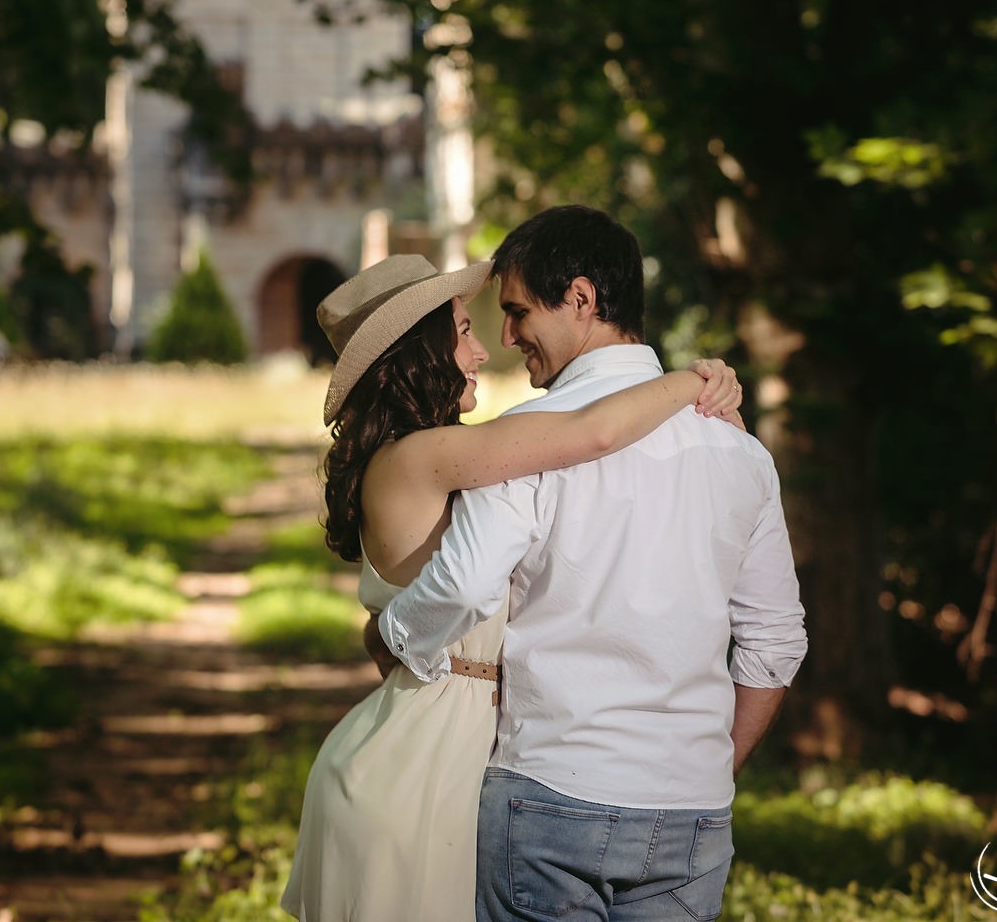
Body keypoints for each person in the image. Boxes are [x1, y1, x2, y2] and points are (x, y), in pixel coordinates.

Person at [374, 206, 809, 922]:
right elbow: (776, 644)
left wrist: (395, 637)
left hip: (551, 796)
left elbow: (467, 580)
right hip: (692, 815)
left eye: (517, 312)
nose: (506, 337)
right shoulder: (740, 453)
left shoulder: (523, 444)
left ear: (581, 299)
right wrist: (704, 772)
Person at [280, 252, 743, 922]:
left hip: (420, 750)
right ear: (423, 352)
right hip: (424, 770)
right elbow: (594, 432)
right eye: (464, 330)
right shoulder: (425, 454)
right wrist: (696, 379)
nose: (481, 350)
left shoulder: (416, 455)